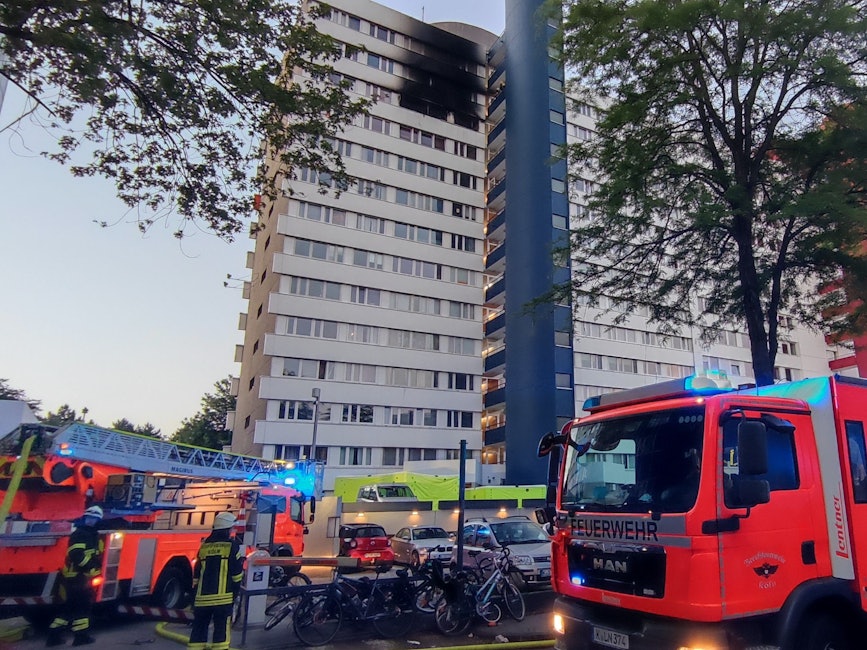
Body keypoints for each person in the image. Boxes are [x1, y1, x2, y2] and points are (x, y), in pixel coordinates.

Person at [46, 505, 105, 647]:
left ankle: (53, 637)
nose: (91, 521)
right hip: (79, 578)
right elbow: (77, 554)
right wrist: (91, 568)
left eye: (94, 519)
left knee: (68, 608)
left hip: (76, 578)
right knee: (82, 609)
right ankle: (81, 637)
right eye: (89, 518)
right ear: (85, 518)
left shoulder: (89, 534)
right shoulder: (81, 534)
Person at [187, 512, 244, 650]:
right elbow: (236, 574)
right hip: (222, 599)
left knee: (198, 632)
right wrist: (235, 594)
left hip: (202, 599)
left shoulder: (205, 546)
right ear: (227, 529)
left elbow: (197, 571)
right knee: (220, 636)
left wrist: (194, 595)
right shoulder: (231, 545)